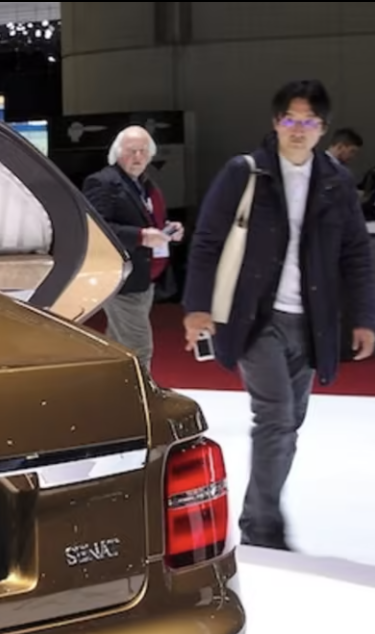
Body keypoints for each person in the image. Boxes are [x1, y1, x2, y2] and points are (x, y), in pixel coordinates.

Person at [181, 80, 375, 551]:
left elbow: (357, 254)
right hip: (255, 318)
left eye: (309, 121)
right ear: (276, 122)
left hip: (311, 324)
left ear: (323, 129)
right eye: (291, 119)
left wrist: (364, 317)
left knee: (291, 423)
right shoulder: (246, 172)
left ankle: (259, 515)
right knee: (277, 418)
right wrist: (197, 307)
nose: (298, 129)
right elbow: (207, 240)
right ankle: (263, 528)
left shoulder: (335, 181)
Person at [82, 126, 181, 381]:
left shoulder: (144, 184)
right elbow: (97, 229)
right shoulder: (103, 182)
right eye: (131, 151)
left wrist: (167, 229)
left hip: (143, 277)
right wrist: (141, 236)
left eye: (143, 151)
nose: (138, 157)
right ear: (117, 153)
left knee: (119, 342)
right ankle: (140, 397)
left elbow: (148, 218)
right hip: (122, 279)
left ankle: (110, 390)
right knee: (139, 346)